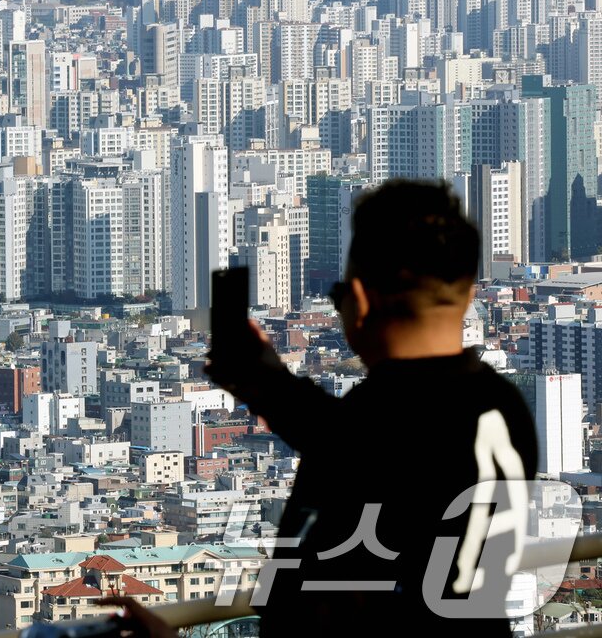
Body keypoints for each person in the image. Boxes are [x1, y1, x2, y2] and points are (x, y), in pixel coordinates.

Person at [205, 179, 538, 637]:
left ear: (359, 302)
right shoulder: (504, 404)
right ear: (468, 294)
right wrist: (266, 384)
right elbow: (360, 437)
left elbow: (356, 440)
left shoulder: (379, 422)